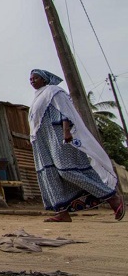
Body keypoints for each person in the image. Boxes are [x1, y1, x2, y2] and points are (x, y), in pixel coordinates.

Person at [28, 69, 124, 222]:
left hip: (59, 136)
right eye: (31, 79)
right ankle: (62, 212)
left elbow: (65, 112)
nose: (32, 81)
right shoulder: (37, 98)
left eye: (36, 78)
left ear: (45, 79)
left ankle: (111, 197)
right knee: (49, 174)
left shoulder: (54, 91)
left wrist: (67, 131)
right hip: (42, 141)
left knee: (67, 170)